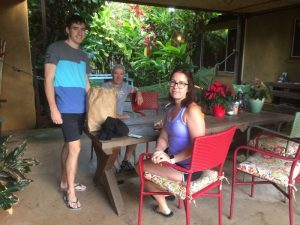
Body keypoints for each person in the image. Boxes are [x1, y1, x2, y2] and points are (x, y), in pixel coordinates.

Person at [135, 67, 205, 217]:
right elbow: (164, 137)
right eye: (173, 82)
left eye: (181, 83)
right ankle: (166, 194)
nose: (176, 86)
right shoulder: (170, 110)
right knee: (143, 167)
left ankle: (163, 203)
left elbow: (198, 147)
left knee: (139, 167)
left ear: (189, 87)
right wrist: (159, 151)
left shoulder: (192, 110)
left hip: (189, 169)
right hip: (173, 162)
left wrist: (172, 159)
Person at [44, 15, 90, 210]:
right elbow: (48, 79)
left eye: (82, 29)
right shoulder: (55, 49)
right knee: (75, 149)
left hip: (80, 109)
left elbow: (86, 84)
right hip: (66, 108)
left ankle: (65, 182)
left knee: (68, 146)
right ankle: (70, 192)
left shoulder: (84, 56)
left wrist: (94, 106)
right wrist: (53, 108)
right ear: (67, 30)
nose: (79, 32)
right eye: (75, 28)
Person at [102, 64, 143, 172]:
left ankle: (125, 161)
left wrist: (138, 93)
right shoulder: (105, 86)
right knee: (116, 139)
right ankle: (115, 167)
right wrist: (117, 115)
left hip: (119, 120)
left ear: (124, 75)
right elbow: (100, 106)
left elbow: (136, 88)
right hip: (107, 120)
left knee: (136, 135)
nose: (118, 77)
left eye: (121, 74)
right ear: (112, 74)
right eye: (116, 73)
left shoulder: (126, 86)